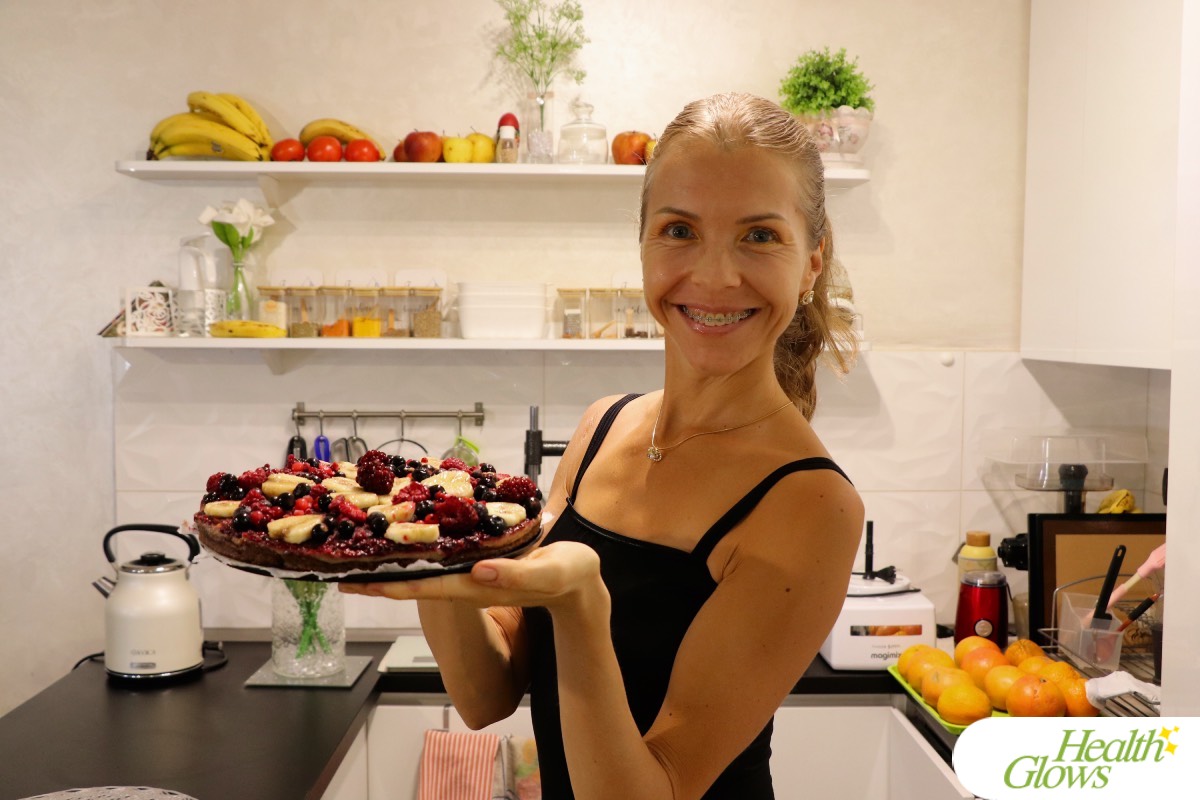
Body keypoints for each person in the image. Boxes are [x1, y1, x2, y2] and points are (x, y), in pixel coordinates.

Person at [342, 92, 864, 800]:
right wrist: (434, 543)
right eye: (679, 229)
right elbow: (486, 693)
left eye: (760, 236)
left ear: (811, 264)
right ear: (643, 243)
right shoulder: (601, 429)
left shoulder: (809, 502)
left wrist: (581, 605)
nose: (713, 275)